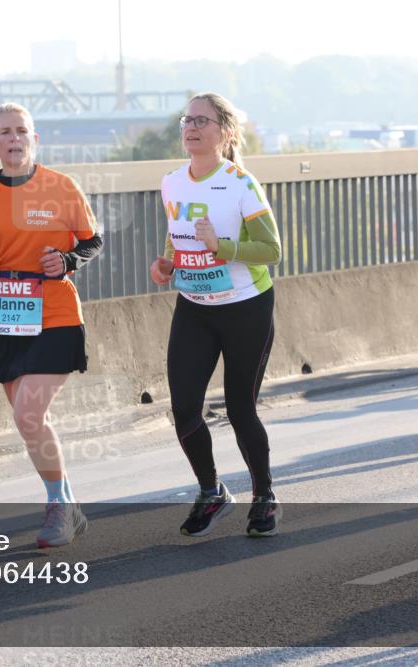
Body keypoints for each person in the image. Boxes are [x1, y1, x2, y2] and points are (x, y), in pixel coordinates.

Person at [0, 102, 103, 548]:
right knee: (31, 421)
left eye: (22, 131)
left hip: (56, 312)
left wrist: (67, 260)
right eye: (5, 132)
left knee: (28, 413)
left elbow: (93, 241)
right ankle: (68, 504)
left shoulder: (61, 187)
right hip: (9, 315)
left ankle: (58, 507)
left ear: (35, 139)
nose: (14, 138)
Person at [148, 93, 282, 538]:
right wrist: (166, 264)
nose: (191, 127)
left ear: (225, 132)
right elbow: (176, 239)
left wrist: (221, 247)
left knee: (241, 409)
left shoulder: (240, 183)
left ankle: (264, 496)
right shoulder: (172, 182)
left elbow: (272, 251)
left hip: (246, 307)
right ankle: (211, 492)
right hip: (195, 308)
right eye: (187, 120)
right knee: (184, 408)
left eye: (202, 120)